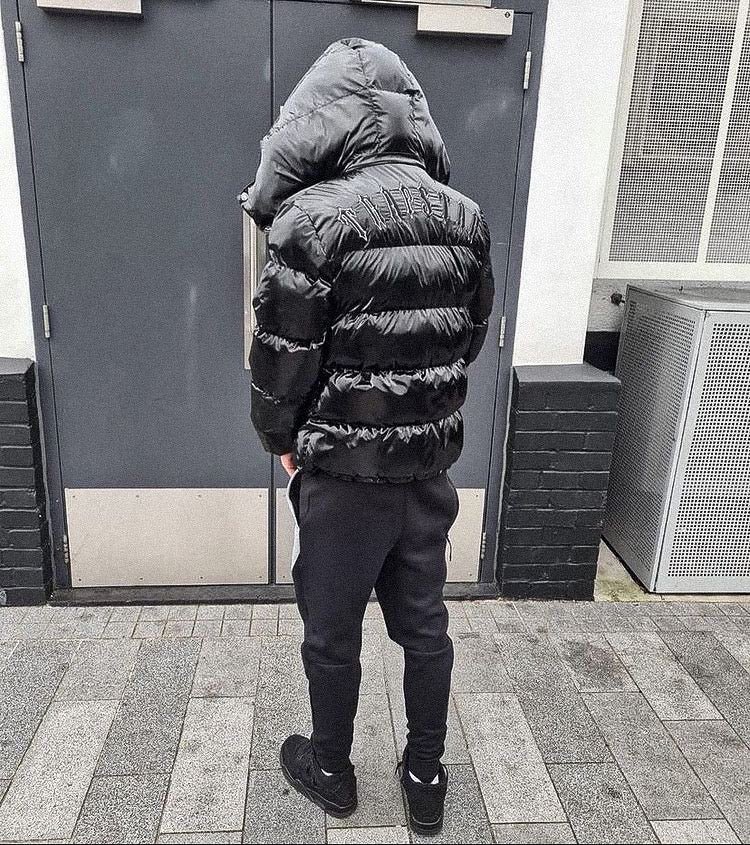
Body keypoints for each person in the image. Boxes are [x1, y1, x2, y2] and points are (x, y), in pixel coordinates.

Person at [239, 37, 493, 836]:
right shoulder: (464, 216)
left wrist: (281, 438)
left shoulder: (309, 221)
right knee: (425, 626)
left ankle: (332, 771)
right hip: (426, 473)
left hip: (343, 477)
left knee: (331, 632)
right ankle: (425, 777)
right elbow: (469, 335)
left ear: (325, 120)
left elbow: (283, 357)